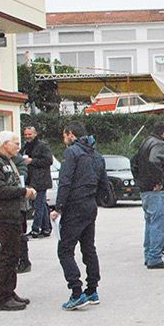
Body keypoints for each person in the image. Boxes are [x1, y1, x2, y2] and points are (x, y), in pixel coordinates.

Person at [51, 121, 110, 311]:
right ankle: (92, 289)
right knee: (88, 248)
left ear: (70, 134)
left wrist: (58, 207)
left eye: (64, 135)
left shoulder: (72, 153)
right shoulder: (96, 155)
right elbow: (104, 184)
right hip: (90, 205)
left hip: (75, 206)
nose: (64, 139)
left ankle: (76, 292)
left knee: (65, 250)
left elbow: (65, 182)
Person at [0, 131, 37, 311]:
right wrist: (22, 192)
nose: (19, 147)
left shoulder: (6, 161)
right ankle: (2, 297)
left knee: (13, 254)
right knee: (8, 255)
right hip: (2, 214)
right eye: (16, 143)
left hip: (13, 213)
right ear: (5, 144)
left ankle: (9, 291)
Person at [132, 121, 164, 269]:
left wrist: (140, 181)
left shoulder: (146, 142)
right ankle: (154, 258)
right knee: (159, 225)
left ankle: (149, 255)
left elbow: (134, 162)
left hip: (146, 191)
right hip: (156, 191)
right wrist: (160, 181)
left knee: (150, 224)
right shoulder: (159, 144)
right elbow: (154, 161)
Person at [22, 126, 53, 239]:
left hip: (41, 180)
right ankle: (46, 228)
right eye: (25, 134)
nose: (27, 136)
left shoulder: (42, 145)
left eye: (29, 134)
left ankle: (36, 229)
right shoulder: (25, 147)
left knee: (38, 205)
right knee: (42, 205)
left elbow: (49, 160)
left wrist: (32, 161)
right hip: (31, 179)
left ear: (35, 134)